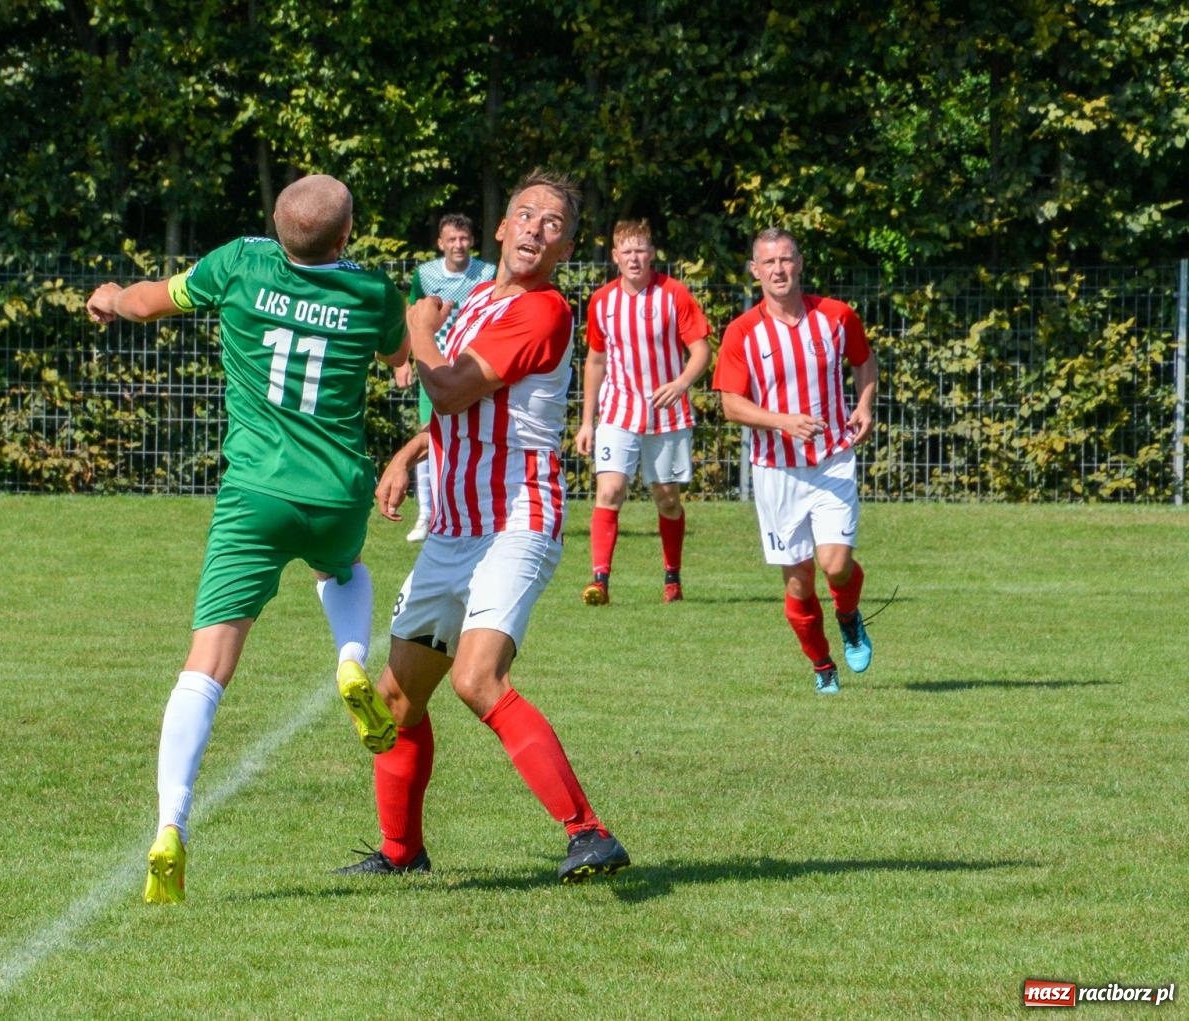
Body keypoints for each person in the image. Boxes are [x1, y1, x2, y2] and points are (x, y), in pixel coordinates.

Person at [85, 174, 409, 903]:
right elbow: (400, 360)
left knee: (205, 666)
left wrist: (109, 295)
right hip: (335, 490)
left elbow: (146, 301)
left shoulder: (239, 264)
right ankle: (352, 659)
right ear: (347, 235)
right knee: (344, 571)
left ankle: (171, 825)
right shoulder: (373, 293)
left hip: (255, 494)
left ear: (275, 223)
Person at [338, 170, 630, 883]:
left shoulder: (545, 311)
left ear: (567, 245)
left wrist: (415, 326)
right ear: (500, 229)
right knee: (397, 700)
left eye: (552, 223)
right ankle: (402, 852)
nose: (535, 227)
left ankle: (590, 833)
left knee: (477, 677)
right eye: (524, 214)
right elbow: (451, 410)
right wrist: (408, 455)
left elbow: (446, 385)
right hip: (454, 523)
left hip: (516, 516)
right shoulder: (474, 303)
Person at [711, 227, 878, 695]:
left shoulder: (837, 316)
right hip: (776, 470)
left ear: (799, 263)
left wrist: (864, 406)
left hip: (832, 460)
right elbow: (730, 404)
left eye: (786, 260)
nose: (778, 270)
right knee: (800, 582)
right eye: (769, 263)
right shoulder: (743, 331)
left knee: (836, 564)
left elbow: (865, 361)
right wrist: (782, 421)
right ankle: (822, 665)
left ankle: (848, 617)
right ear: (755, 271)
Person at [573, 219, 712, 606]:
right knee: (610, 489)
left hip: (666, 414)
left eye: (640, 250)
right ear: (615, 257)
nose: (634, 258)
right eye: (626, 251)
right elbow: (596, 361)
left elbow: (701, 349)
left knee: (667, 499)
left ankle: (672, 577)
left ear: (651, 254)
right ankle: (599, 580)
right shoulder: (602, 300)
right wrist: (587, 421)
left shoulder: (674, 294)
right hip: (618, 411)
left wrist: (681, 383)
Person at [394, 214, 496, 542]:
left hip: (473, 365)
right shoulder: (426, 275)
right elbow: (413, 316)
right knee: (429, 435)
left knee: (476, 436)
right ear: (441, 243)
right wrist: (403, 362)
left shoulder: (488, 274)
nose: (458, 245)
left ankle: (470, 509)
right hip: (434, 364)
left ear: (472, 241)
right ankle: (426, 515)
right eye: (451, 239)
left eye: (464, 238)